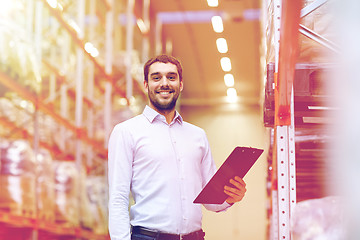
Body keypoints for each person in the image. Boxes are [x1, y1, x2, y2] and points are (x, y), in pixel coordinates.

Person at [108, 54, 247, 240]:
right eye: (156, 77)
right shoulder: (127, 132)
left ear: (180, 85)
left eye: (171, 77)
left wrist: (231, 196)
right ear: (146, 85)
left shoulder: (198, 136)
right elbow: (118, 198)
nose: (164, 83)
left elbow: (211, 201)